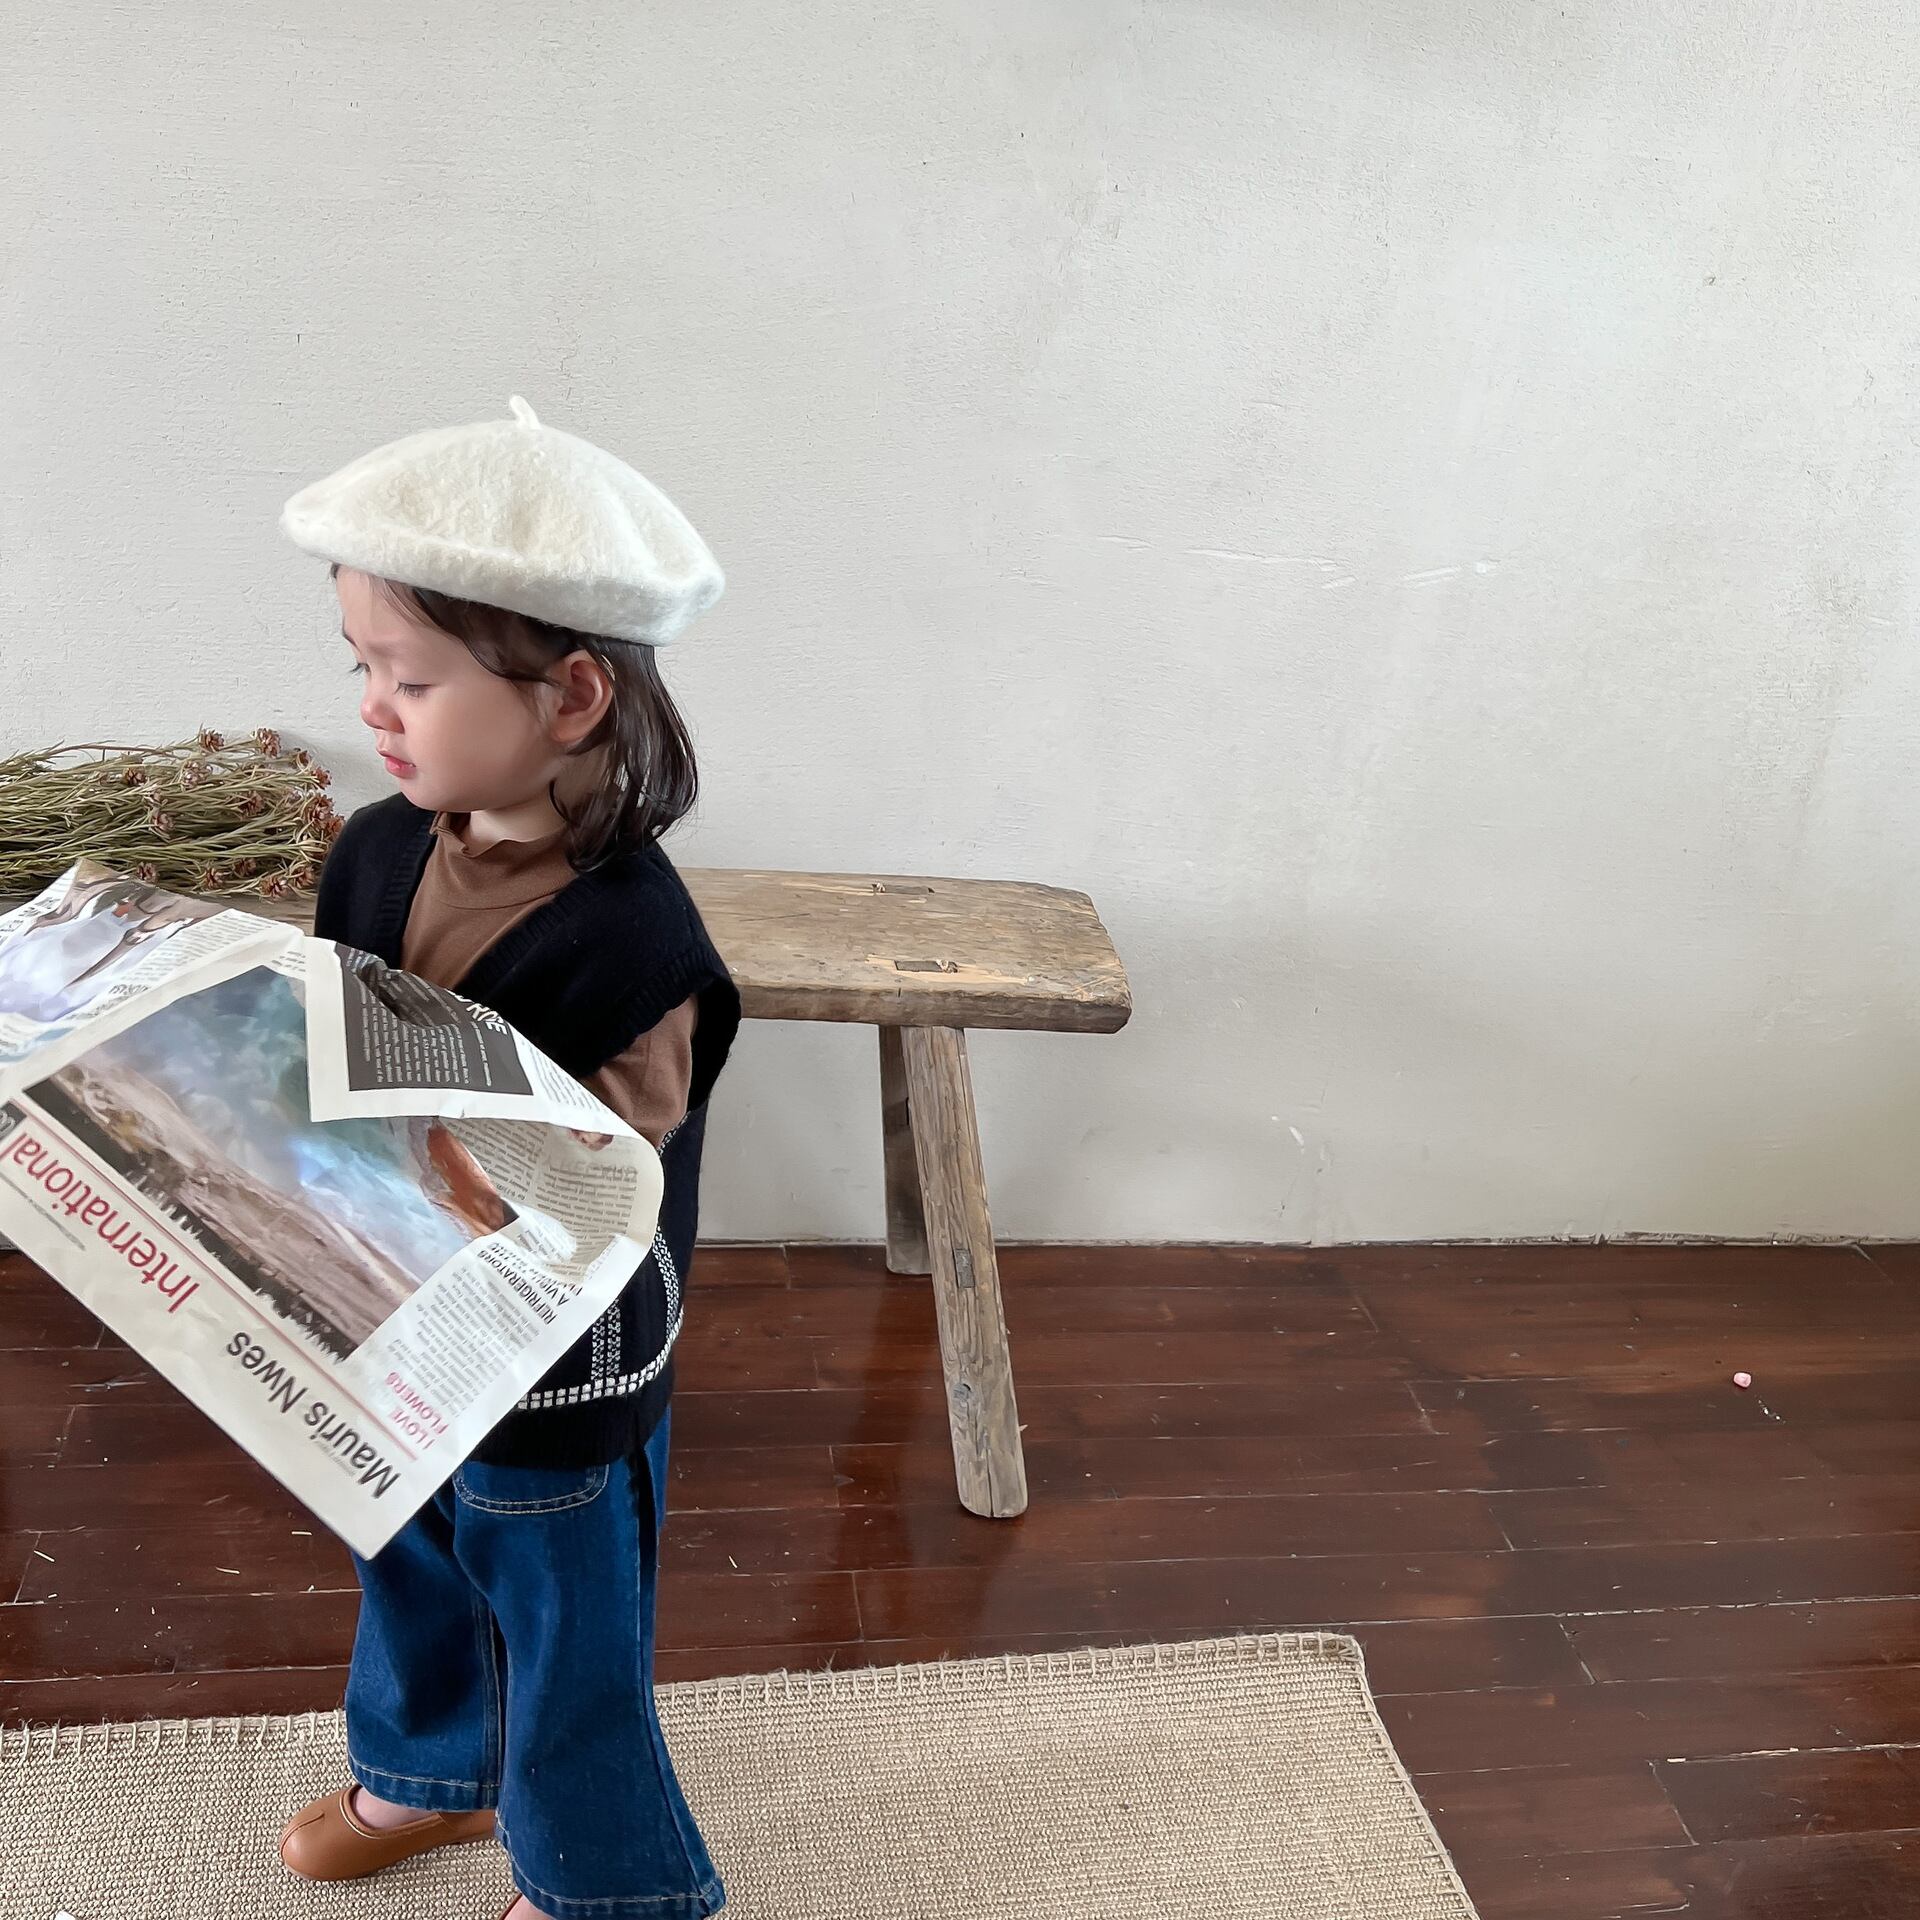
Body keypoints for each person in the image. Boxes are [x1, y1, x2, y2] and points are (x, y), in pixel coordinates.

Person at [273, 397, 740, 1920]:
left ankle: (605, 1878)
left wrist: (444, 1161)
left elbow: (605, 1178)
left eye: (411, 677)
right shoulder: (376, 850)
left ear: (573, 696)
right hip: (393, 1307)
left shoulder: (633, 940)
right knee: (405, 1541)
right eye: (362, 668)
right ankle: (435, 1771)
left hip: (551, 1359)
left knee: (558, 1602)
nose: (374, 707)